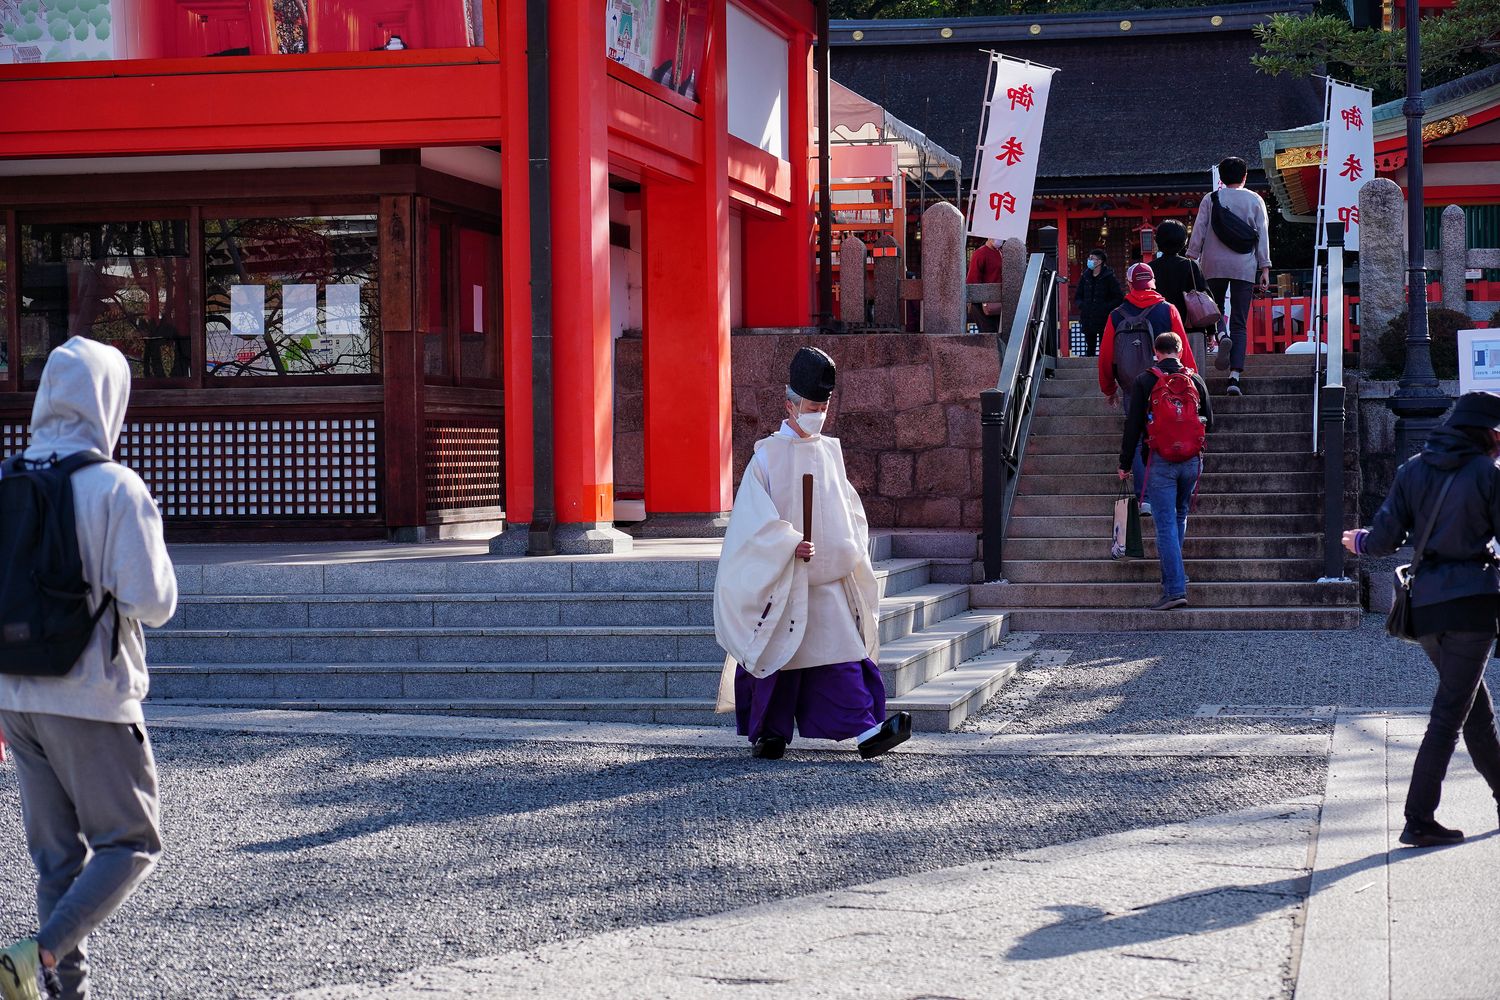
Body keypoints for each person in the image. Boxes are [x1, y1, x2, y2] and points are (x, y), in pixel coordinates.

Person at [0, 337, 178, 1000]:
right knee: (131, 841)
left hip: (16, 691)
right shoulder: (114, 487)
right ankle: (38, 953)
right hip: (93, 693)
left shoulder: (8, 478)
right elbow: (154, 603)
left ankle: (61, 992)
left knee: (55, 859)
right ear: (111, 400)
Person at [713, 346, 912, 761]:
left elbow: (848, 509)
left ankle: (867, 731)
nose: (817, 414)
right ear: (789, 404)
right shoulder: (766, 456)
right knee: (777, 659)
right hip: (784, 579)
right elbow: (752, 522)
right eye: (810, 406)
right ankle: (768, 734)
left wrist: (848, 547)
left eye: (823, 406)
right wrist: (787, 544)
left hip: (825, 581)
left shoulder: (829, 451)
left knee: (841, 656)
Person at [1343, 392, 1500, 848]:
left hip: (1425, 604)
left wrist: (1359, 541)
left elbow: (1384, 540)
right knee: (1450, 715)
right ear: (1485, 432)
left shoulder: (1412, 469)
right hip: (1472, 602)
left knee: (1475, 710)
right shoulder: (1487, 474)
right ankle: (1418, 818)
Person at [1118, 331, 1212, 611]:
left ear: (1156, 352)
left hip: (1160, 461)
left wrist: (1124, 463)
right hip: (1193, 462)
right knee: (1179, 516)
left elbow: (1132, 426)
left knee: (1165, 525)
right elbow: (1210, 420)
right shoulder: (1195, 379)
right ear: (1180, 350)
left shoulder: (1145, 380)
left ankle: (1174, 589)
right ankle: (1175, 575)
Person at [1097, 262, 1197, 509]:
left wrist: (1109, 389)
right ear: (1152, 282)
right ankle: (1173, 491)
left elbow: (1106, 356)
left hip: (1133, 386)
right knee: (1171, 430)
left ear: (1129, 284)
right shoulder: (1168, 310)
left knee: (1140, 438)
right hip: (1169, 384)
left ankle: (1146, 499)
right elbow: (1183, 348)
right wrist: (1192, 380)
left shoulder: (1116, 315)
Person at [1187, 156, 1271, 396]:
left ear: (1221, 178)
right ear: (1245, 176)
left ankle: (1221, 334)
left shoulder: (1211, 199)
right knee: (1240, 321)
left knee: (1213, 309)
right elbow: (1262, 235)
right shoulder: (1255, 200)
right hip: (1244, 267)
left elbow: (1200, 231)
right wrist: (1264, 267)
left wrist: (1191, 257)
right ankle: (1234, 378)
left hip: (1213, 265)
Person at [1150, 220, 1215, 369]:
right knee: (1194, 375)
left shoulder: (1150, 268)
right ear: (1183, 241)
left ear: (1158, 241)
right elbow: (1205, 297)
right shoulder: (1191, 266)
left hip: (1160, 332)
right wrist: (1211, 330)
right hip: (1191, 328)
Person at [1073, 248, 1123, 357]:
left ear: (1099, 262)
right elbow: (1078, 295)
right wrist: (1082, 305)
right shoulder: (1085, 277)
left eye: (1092, 259)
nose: (1089, 261)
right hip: (1088, 316)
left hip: (1103, 317)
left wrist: (1105, 307)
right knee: (1089, 345)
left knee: (1104, 345)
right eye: (1089, 258)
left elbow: (1119, 297)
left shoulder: (1109, 277)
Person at [966, 237, 1004, 333]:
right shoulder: (980, 253)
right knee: (989, 333)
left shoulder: (1001, 252)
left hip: (999, 301)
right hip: (983, 303)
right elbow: (972, 280)